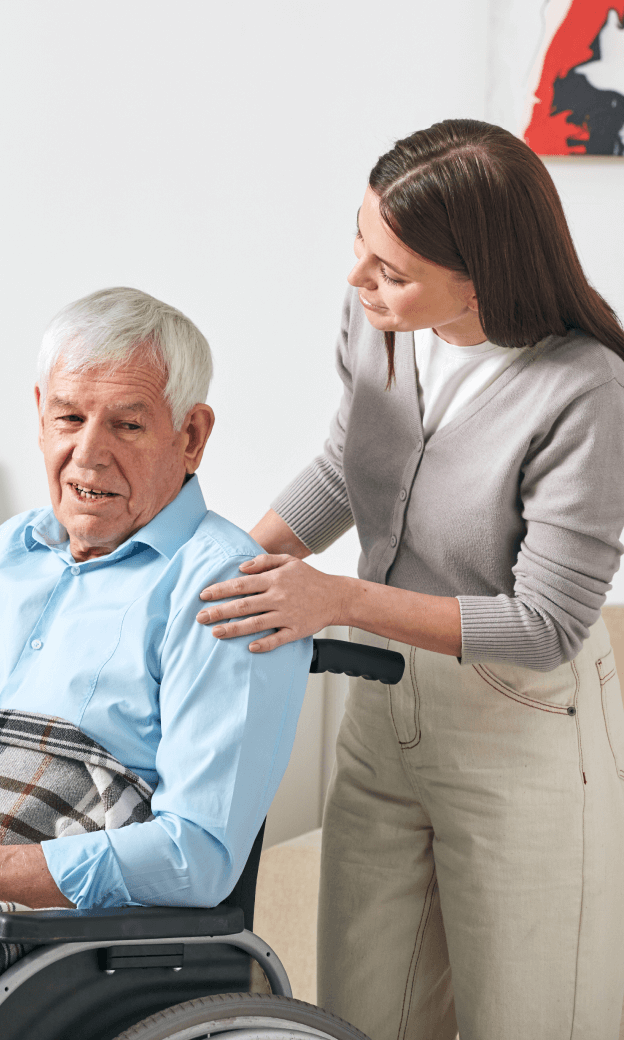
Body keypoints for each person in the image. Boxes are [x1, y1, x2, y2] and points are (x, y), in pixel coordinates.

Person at [196, 120, 624, 1039]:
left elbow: (545, 624)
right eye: (359, 241)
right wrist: (218, 570)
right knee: (361, 1016)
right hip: (383, 711)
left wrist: (337, 599)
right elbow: (346, 467)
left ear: (481, 278)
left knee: (526, 1022)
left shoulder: (585, 389)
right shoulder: (379, 321)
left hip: (522, 726)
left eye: (391, 270)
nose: (359, 278)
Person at [0, 286, 311, 1039]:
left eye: (127, 423)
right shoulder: (9, 551)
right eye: (69, 418)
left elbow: (197, 855)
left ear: (191, 436)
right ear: (40, 415)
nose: (88, 453)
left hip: (11, 925)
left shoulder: (227, 588)